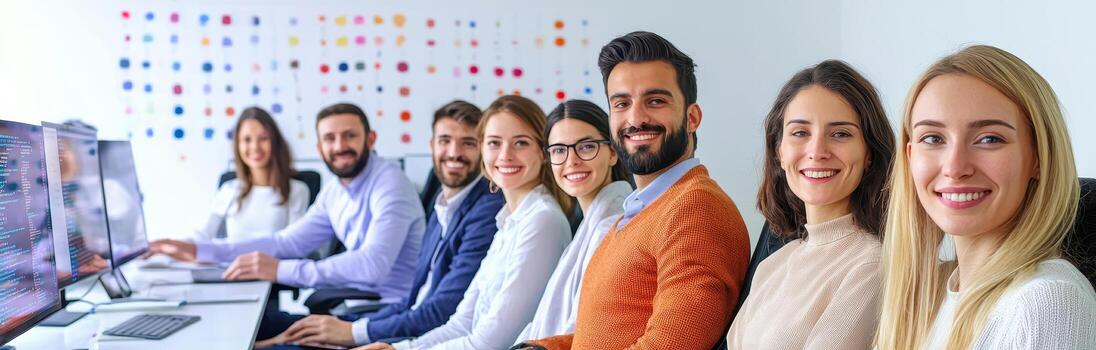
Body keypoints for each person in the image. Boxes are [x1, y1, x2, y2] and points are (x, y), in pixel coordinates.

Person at [517, 31, 751, 350]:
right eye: (622, 103)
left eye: (655, 101)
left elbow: (670, 344)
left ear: (692, 118)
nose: (636, 118)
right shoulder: (640, 210)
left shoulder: (696, 209)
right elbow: (602, 334)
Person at [874, 45, 1096, 349]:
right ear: (910, 157)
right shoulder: (929, 298)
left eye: (989, 139)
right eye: (933, 138)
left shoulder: (1046, 302)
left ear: (1038, 157)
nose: (954, 167)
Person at [254, 101, 505, 348]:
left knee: (278, 342)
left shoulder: (485, 211)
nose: (453, 153)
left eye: (468, 143)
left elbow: (441, 312)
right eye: (445, 141)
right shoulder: (446, 202)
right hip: (397, 319)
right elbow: (414, 300)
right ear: (432, 146)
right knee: (268, 324)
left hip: (413, 332)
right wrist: (353, 328)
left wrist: (354, 332)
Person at [145, 103, 424, 304]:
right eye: (330, 138)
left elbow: (372, 265)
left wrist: (279, 269)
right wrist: (199, 248)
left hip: (388, 311)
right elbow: (285, 243)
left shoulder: (390, 183)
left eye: (350, 136)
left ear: (370, 139)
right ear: (319, 148)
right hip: (355, 306)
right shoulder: (335, 192)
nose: (339, 146)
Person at [357, 95, 572, 350]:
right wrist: (398, 348)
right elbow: (462, 322)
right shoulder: (510, 220)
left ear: (543, 152)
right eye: (494, 143)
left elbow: (490, 343)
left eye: (521, 143)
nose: (505, 155)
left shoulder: (541, 221)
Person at [725, 60, 894, 349]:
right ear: (779, 151)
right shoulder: (774, 265)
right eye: (800, 133)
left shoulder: (872, 264)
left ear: (869, 153)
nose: (817, 151)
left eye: (840, 134)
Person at [514, 100, 633, 343]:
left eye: (587, 146)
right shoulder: (587, 224)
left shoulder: (611, 227)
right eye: (559, 150)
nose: (572, 160)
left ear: (613, 152)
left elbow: (578, 330)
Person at [192, 107, 310, 242]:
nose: (255, 147)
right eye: (247, 139)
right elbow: (203, 234)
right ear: (238, 145)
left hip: (272, 262)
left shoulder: (297, 190)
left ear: (275, 142)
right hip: (231, 261)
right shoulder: (230, 189)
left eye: (263, 138)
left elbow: (293, 244)